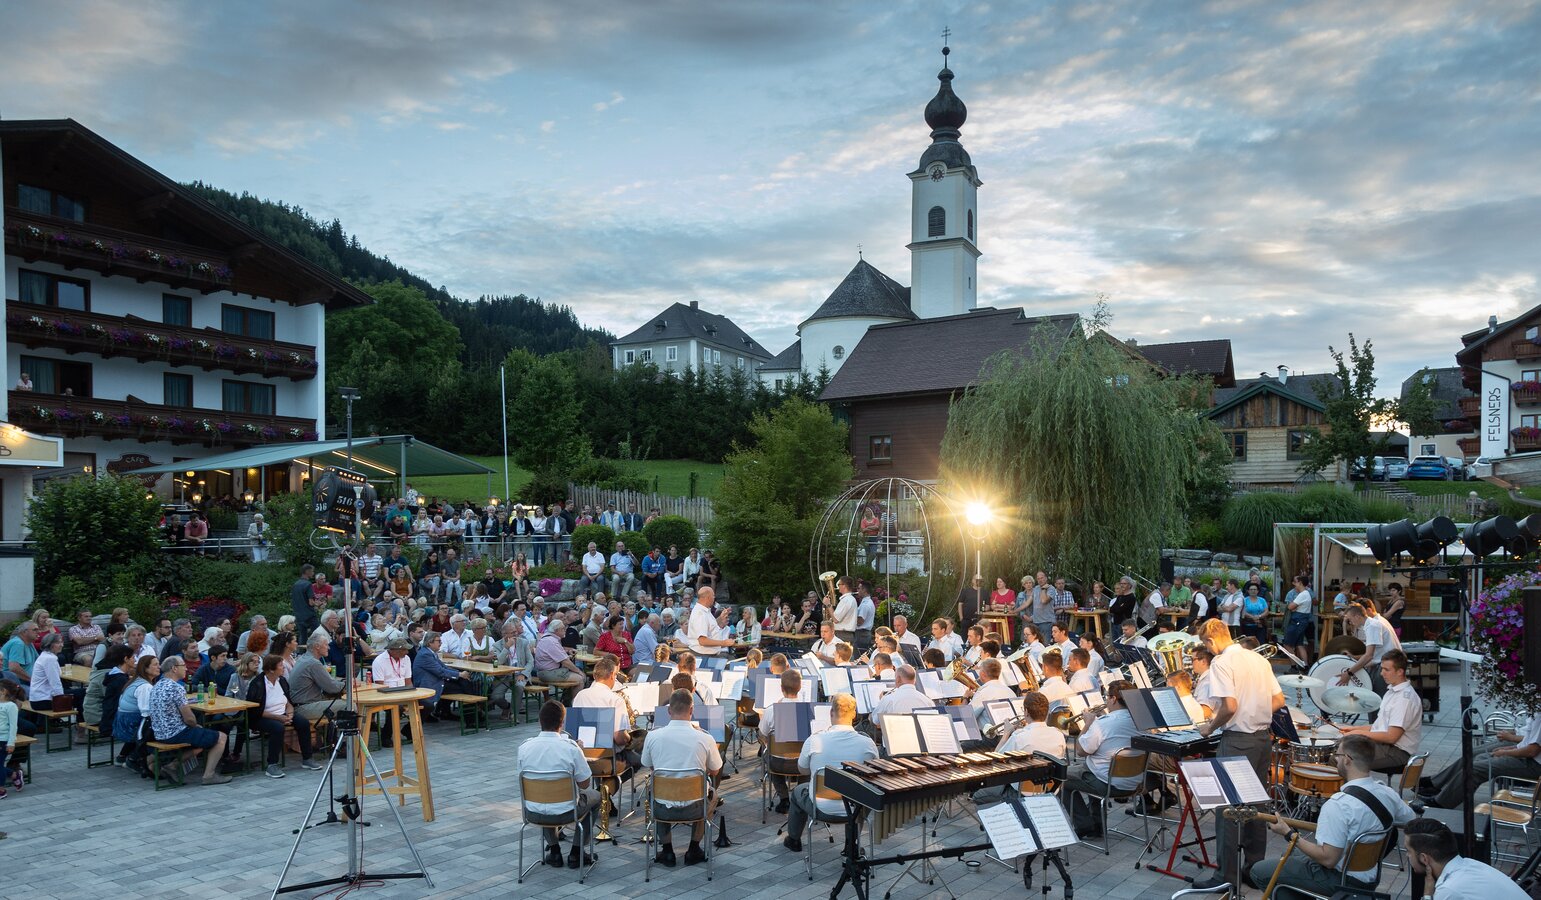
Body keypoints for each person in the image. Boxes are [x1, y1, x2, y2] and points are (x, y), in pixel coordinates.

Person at [1248, 734, 1413, 893]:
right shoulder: (1387, 793)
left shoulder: (1338, 805)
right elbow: (1410, 820)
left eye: (1338, 755)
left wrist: (1288, 833)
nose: (1336, 759)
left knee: (1259, 871)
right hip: (1370, 875)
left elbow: (1328, 859)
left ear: (1347, 759)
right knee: (1290, 854)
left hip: (1341, 878)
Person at [1191, 618, 1285, 890]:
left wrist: (1209, 727)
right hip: (1262, 739)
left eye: (1206, 645)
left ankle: (1226, 877)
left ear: (1210, 640)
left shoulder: (1222, 662)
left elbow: (1230, 707)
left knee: (1228, 809)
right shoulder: (1258, 659)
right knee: (1256, 805)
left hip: (1238, 740)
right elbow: (1279, 700)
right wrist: (1254, 709)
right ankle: (1255, 871)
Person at [783, 693, 877, 853]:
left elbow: (802, 770)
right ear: (854, 715)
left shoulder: (814, 740)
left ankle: (793, 839)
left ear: (831, 712)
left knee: (798, 791)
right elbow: (874, 773)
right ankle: (852, 844)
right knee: (864, 794)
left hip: (820, 807)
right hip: (855, 809)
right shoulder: (868, 743)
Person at [642, 689, 723, 867]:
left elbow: (649, 765)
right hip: (696, 808)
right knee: (712, 794)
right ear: (692, 710)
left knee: (655, 790)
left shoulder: (653, 736)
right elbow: (716, 770)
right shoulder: (705, 737)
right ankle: (694, 848)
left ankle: (667, 850)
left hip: (663, 809)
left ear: (668, 710)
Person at [518, 699, 599, 869]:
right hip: (567, 812)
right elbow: (585, 784)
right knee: (596, 796)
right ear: (562, 723)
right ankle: (576, 852)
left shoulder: (524, 748)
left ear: (540, 721)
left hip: (533, 811)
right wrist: (580, 752)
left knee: (543, 795)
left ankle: (554, 851)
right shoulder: (571, 748)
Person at [1061, 680, 1140, 836]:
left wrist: (1088, 724)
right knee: (1093, 767)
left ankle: (1085, 825)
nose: (1106, 701)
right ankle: (1097, 824)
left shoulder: (1103, 724)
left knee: (1060, 776)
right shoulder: (1140, 720)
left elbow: (1080, 751)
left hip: (1108, 783)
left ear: (1114, 699)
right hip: (1135, 782)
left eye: (1107, 697)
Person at [1422, 706, 1541, 809]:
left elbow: (1532, 751)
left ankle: (1442, 802)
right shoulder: (1537, 709)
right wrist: (1509, 749)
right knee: (1477, 757)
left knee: (1475, 768)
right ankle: (1449, 791)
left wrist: (1506, 751)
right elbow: (1528, 742)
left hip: (1534, 764)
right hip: (1528, 756)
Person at [147, 656, 232, 785]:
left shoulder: (157, 685)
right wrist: (196, 725)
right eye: (183, 666)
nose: (186, 669)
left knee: (203, 738)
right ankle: (209, 776)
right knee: (221, 737)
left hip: (159, 733)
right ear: (174, 668)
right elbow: (189, 718)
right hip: (175, 733)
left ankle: (172, 765)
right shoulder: (176, 688)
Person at [1336, 649, 1420, 771]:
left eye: (1386, 670)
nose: (1381, 673)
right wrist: (1354, 729)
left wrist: (1358, 733)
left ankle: (1351, 783)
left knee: (1341, 758)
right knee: (1340, 749)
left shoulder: (1404, 699)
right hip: (1386, 746)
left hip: (1396, 752)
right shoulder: (1392, 691)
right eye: (1382, 669)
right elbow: (1380, 726)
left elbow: (1391, 737)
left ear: (1400, 672)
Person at [1403, 818, 1529, 900]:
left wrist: (1427, 895)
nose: (1407, 856)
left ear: (1424, 858)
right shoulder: (1471, 864)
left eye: (1409, 851)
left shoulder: (1450, 890)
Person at [244, 654, 321, 778]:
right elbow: (255, 710)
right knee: (278, 728)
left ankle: (307, 758)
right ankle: (272, 765)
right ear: (271, 669)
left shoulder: (282, 681)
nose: (283, 668)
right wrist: (279, 718)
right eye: (280, 666)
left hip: (283, 713)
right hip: (262, 717)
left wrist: (289, 714)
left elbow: (288, 701)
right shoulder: (257, 684)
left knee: (303, 723)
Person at [572, 656, 637, 770]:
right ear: (612, 675)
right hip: (607, 757)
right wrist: (630, 739)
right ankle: (610, 781)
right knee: (640, 759)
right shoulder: (615, 699)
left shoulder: (580, 695)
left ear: (594, 676)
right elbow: (619, 738)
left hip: (581, 755)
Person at [760, 669, 806, 813]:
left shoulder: (771, 710)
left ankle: (784, 798)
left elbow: (762, 734)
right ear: (800, 687)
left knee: (769, 753)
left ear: (781, 688)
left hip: (778, 763)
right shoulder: (809, 710)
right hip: (801, 764)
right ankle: (801, 796)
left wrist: (770, 744)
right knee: (810, 756)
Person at [1337, 600, 1399, 702]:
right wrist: (1354, 657)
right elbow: (1374, 652)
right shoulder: (1371, 624)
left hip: (1387, 665)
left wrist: (1349, 673)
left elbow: (1369, 656)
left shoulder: (1372, 626)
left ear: (1357, 616)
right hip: (1386, 662)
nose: (1350, 623)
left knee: (1378, 701)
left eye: (1350, 619)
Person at [413, 631, 475, 717]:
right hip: (429, 685)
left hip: (435, 681)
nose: (441, 643)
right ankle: (471, 715)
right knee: (463, 686)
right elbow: (440, 672)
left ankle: (445, 711)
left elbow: (444, 667)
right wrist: (460, 674)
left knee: (462, 682)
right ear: (430, 642)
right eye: (438, 641)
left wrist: (459, 673)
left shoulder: (430, 652)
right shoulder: (425, 654)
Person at [288, 635, 345, 724]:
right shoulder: (313, 663)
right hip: (305, 708)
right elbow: (332, 687)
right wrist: (348, 684)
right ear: (317, 646)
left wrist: (342, 683)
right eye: (326, 645)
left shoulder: (303, 658)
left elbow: (329, 684)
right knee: (351, 705)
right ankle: (352, 732)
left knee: (339, 700)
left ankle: (332, 731)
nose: (329, 648)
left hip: (299, 704)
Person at [534, 621, 585, 701]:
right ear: (556, 630)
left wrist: (567, 652)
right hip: (549, 673)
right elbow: (565, 661)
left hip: (543, 672)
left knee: (574, 674)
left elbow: (557, 656)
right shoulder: (552, 641)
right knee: (581, 678)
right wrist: (579, 671)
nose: (565, 630)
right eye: (563, 628)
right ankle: (575, 704)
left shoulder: (546, 638)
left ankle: (566, 701)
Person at [687, 586, 734, 657]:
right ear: (708, 598)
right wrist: (723, 643)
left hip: (707, 654)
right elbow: (702, 641)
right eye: (713, 596)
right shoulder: (700, 614)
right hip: (703, 655)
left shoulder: (705, 611)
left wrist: (721, 617)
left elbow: (709, 627)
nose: (714, 598)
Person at [967, 658, 1016, 727]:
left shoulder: (984, 692)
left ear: (983, 674)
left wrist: (965, 698)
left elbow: (968, 716)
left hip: (988, 732)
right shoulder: (1010, 691)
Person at [0, 679, 22, 796]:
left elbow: (14, 726)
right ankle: (14, 775)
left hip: (3, 739)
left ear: (3, 691)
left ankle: (1, 790)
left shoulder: (10, 706)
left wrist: (11, 742)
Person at [291, 565, 318, 639]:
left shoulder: (295, 584)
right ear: (307, 572)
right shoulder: (308, 584)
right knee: (317, 634)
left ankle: (301, 647)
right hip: (309, 615)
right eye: (312, 571)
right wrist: (318, 604)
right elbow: (311, 602)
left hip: (299, 615)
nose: (313, 573)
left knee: (303, 636)